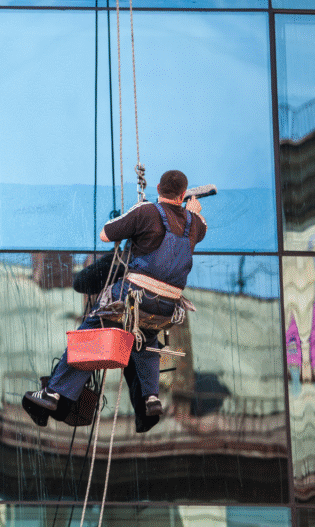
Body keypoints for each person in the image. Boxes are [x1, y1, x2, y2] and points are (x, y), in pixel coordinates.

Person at [24, 170, 206, 426]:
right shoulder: (194, 224)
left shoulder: (146, 212)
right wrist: (194, 211)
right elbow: (200, 226)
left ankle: (54, 392)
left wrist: (136, 213)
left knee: (90, 334)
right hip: (167, 306)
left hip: (134, 295)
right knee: (147, 341)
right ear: (184, 194)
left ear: (157, 188)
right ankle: (151, 398)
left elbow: (106, 234)